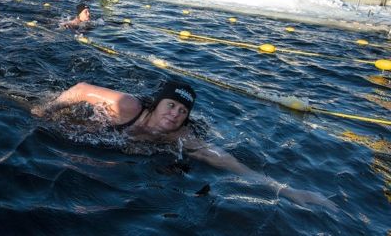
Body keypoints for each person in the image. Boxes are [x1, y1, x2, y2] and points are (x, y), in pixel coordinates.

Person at [32, 80, 337, 210]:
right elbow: (82, 89)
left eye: (182, 111)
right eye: (171, 105)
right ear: (157, 103)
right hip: (87, 122)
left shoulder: (179, 138)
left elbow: (227, 162)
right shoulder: (127, 106)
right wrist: (46, 111)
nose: (175, 114)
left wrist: (287, 190)